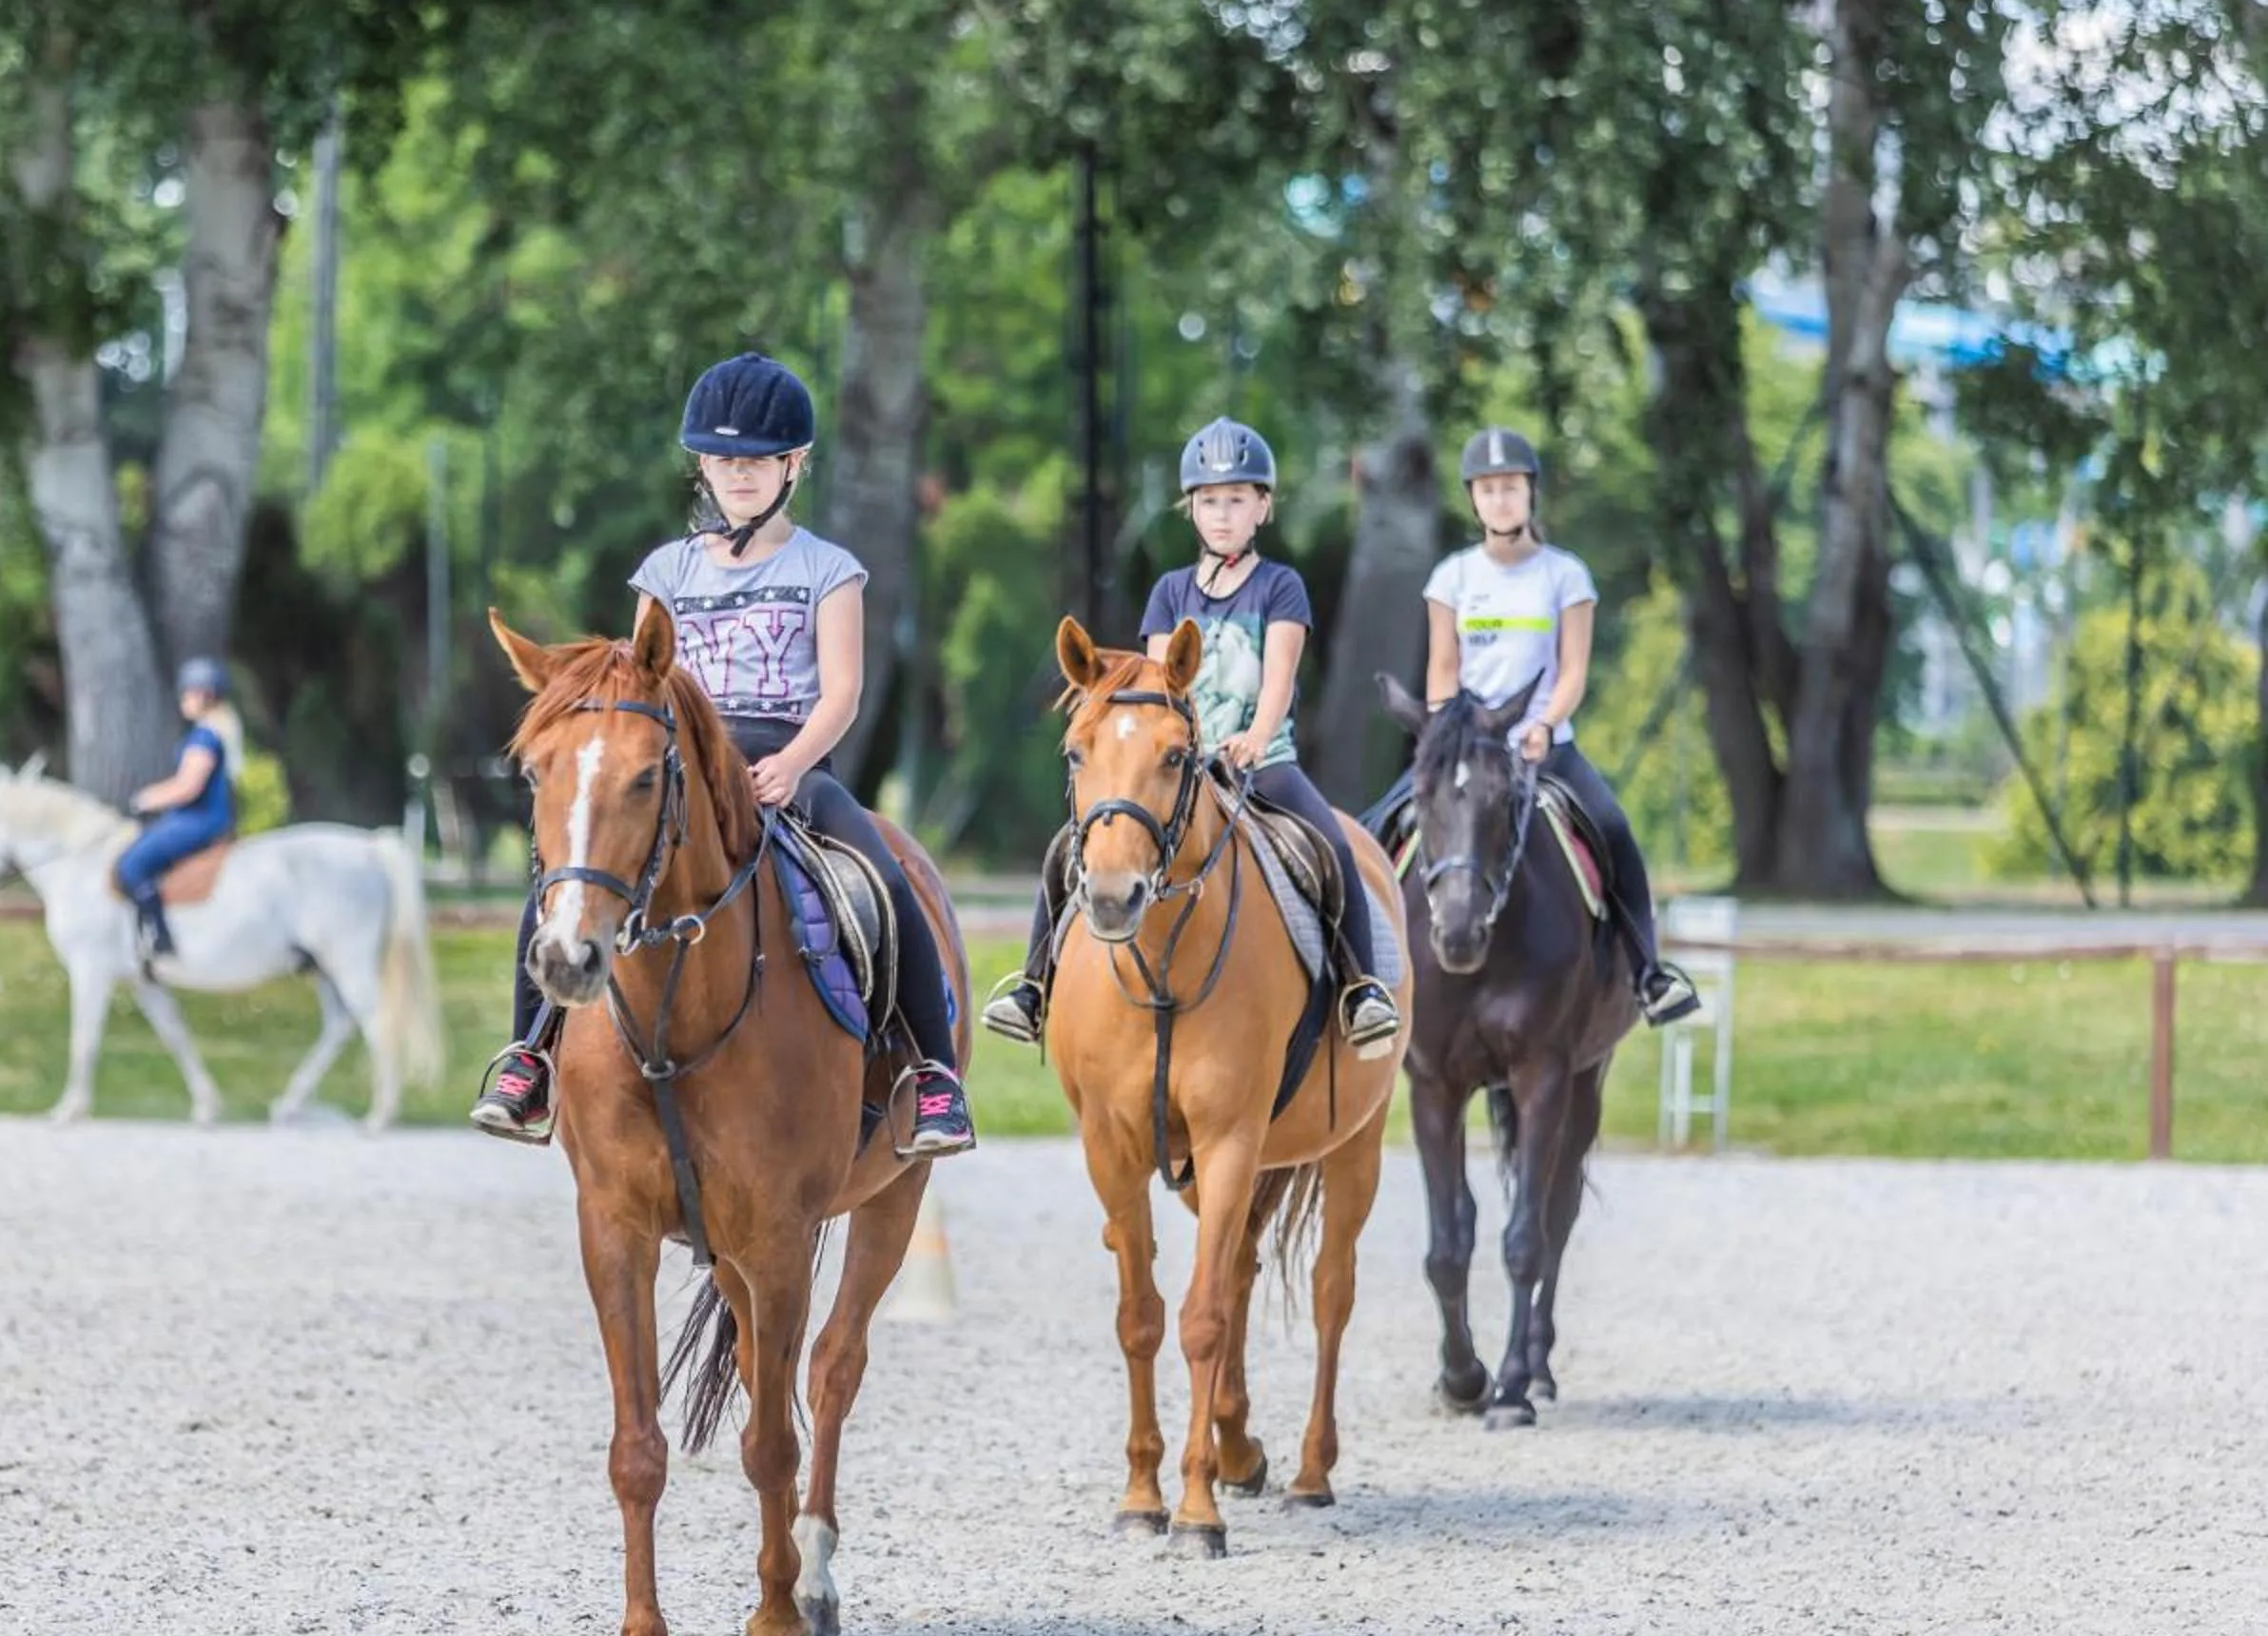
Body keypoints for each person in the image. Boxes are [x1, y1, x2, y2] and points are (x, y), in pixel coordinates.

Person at [469, 352, 977, 1157]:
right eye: (723, 460)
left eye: (757, 462)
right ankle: (528, 1058)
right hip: (679, 766)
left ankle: (936, 1075)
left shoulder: (827, 570)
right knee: (564, 878)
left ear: (793, 465)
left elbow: (842, 692)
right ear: (702, 465)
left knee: (880, 872)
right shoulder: (665, 571)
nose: (738, 475)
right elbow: (640, 680)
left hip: (789, 761)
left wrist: (796, 764)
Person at [980, 417, 1403, 1059]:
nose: (1222, 514)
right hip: (1183, 767)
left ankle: (1361, 987)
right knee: (1069, 848)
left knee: (1331, 846)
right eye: (1209, 501)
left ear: (1262, 507)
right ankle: (1034, 988)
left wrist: (1257, 737)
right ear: (1191, 510)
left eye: (1237, 500)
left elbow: (1280, 679)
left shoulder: (1279, 587)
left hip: (1265, 763)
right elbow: (1159, 691)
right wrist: (1177, 749)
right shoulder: (1170, 592)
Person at [1393, 425, 1699, 1024]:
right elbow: (1443, 669)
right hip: (1467, 752)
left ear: (1530, 494)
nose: (1499, 500)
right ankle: (1364, 975)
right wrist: (1439, 735)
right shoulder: (1452, 578)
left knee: (1614, 832)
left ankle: (1649, 973)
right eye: (1487, 489)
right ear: (1473, 499)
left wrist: (1546, 723)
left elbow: (1573, 670)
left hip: (1543, 748)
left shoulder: (1565, 576)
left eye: (1510, 488)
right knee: (1383, 827)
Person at [115, 656, 240, 966]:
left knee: (131, 865)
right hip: (195, 816)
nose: (183, 699)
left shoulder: (206, 736)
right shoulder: (214, 732)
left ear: (204, 695)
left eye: (187, 693)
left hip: (200, 819)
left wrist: (145, 799)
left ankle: (159, 937)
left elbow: (188, 786)